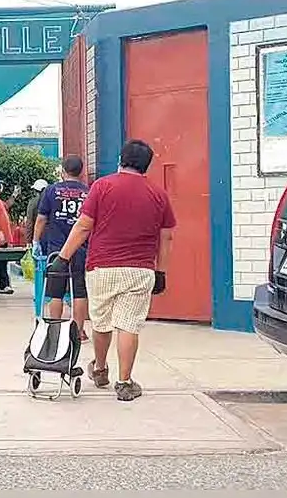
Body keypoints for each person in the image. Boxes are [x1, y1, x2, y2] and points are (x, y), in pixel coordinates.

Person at [56, 140, 175, 402]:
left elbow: (83, 226)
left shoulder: (102, 186)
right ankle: (124, 382)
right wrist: (161, 272)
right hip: (140, 270)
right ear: (146, 166)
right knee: (129, 325)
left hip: (102, 268)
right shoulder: (158, 194)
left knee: (101, 322)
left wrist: (63, 257)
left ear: (121, 159)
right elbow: (166, 236)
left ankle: (100, 369)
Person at [33, 155, 90, 341]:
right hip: (81, 247)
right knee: (79, 290)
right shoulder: (88, 192)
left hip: (57, 251)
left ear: (63, 171)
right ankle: (79, 331)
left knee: (55, 291)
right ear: (81, 172)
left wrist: (35, 241)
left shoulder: (51, 191)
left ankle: (55, 329)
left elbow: (41, 218)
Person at [24, 179, 49, 245]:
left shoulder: (33, 202)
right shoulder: (52, 201)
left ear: (35, 190)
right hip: (51, 238)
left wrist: (28, 241)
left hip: (37, 237)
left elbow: (29, 223)